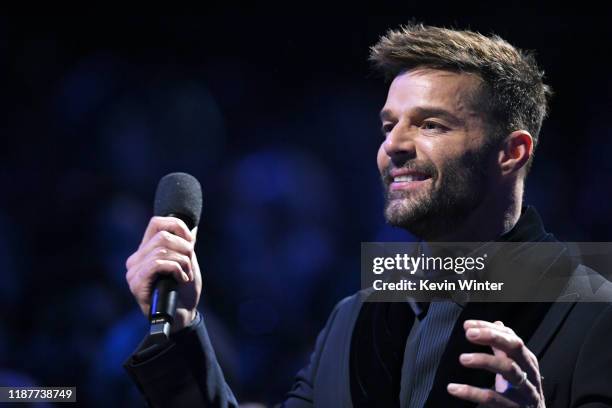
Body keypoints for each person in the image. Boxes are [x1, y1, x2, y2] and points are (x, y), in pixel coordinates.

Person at [123, 24, 612, 407]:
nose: (393, 145)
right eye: (388, 125)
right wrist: (182, 327)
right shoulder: (352, 320)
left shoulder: (596, 313)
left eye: (431, 124)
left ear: (511, 152)